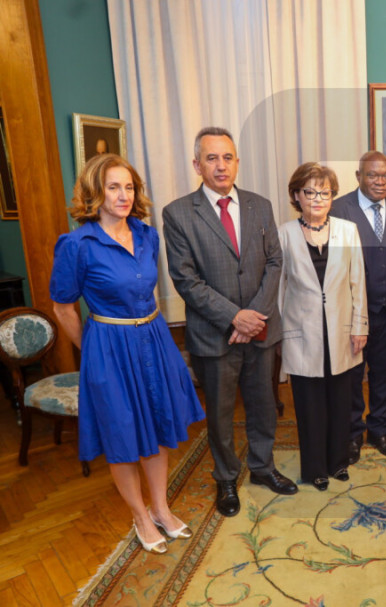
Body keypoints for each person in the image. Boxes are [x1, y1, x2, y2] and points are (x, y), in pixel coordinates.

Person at [50, 153, 204, 553]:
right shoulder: (77, 244)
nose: (123, 195)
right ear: (95, 192)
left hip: (153, 339)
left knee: (158, 427)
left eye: (129, 187)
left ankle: (161, 509)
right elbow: (63, 308)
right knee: (122, 435)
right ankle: (140, 517)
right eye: (113, 187)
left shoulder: (147, 235)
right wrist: (94, 351)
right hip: (109, 349)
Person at [163, 127, 297, 518]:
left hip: (260, 330)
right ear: (197, 165)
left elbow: (275, 262)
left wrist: (254, 315)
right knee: (221, 415)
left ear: (237, 162)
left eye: (227, 157)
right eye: (211, 158)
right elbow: (186, 279)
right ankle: (225, 477)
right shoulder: (178, 213)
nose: (221, 166)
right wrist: (234, 317)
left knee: (263, 405)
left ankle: (263, 467)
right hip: (214, 334)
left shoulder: (260, 205)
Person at [279, 162, 368, 491]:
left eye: (325, 193)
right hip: (302, 332)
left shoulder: (348, 230)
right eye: (310, 192)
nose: (318, 199)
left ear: (332, 197)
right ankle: (315, 468)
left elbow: (358, 281)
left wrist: (360, 326)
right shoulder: (284, 234)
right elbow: (279, 288)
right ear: (296, 196)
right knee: (309, 404)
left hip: (341, 330)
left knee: (340, 401)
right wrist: (281, 334)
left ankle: (338, 461)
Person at [330, 151, 386, 465]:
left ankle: (379, 430)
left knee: (384, 374)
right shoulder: (338, 209)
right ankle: (353, 433)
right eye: (373, 175)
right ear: (358, 177)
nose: (381, 181)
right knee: (352, 377)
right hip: (351, 314)